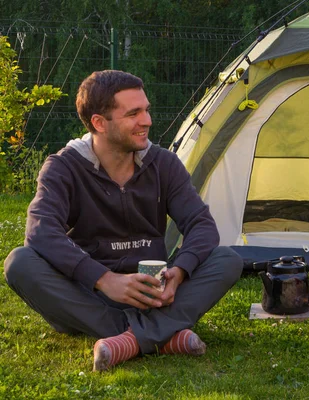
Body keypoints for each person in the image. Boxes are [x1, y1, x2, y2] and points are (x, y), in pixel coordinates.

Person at [3, 70, 243, 372]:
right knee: (20, 262)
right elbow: (41, 232)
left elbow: (202, 225)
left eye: (146, 110)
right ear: (99, 123)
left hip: (155, 293)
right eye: (133, 114)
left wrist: (179, 272)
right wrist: (105, 280)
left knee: (226, 259)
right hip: (92, 296)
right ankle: (162, 334)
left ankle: (128, 340)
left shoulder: (163, 163)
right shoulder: (63, 167)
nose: (147, 121)